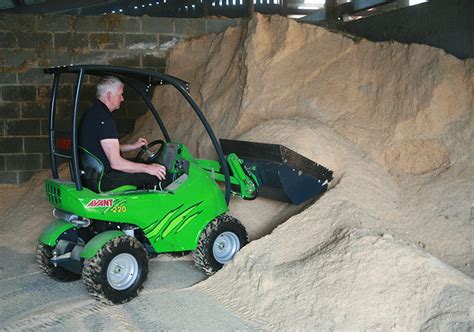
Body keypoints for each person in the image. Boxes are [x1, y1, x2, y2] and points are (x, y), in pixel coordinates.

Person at [78, 76, 167, 192]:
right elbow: (116, 163)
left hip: (92, 176)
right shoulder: (104, 120)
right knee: (157, 175)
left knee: (140, 163)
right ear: (110, 96)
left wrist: (132, 146)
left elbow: (101, 148)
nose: (122, 98)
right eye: (120, 94)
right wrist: (149, 169)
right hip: (105, 180)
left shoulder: (92, 114)